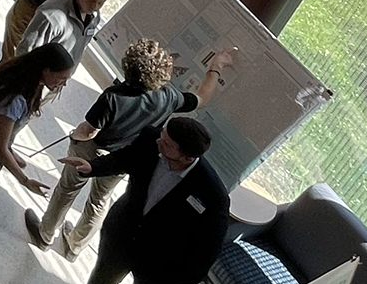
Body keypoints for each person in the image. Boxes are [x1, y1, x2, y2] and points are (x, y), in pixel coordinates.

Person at [45, 113, 231, 284]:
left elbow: (206, 248)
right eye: (162, 136)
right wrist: (91, 167)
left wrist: (177, 281)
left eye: (167, 143)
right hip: (122, 235)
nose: (159, 141)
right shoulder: (150, 140)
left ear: (186, 157)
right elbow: (124, 159)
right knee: (100, 282)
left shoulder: (212, 195)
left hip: (160, 264)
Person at [26, 38, 235, 256]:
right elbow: (202, 97)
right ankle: (75, 245)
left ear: (129, 66)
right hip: (125, 157)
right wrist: (216, 66)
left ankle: (45, 234)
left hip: (91, 150)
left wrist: (76, 135)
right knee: (100, 200)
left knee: (67, 190)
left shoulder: (113, 97)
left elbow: (89, 131)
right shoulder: (170, 97)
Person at [0, 43, 75, 225]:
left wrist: (11, 152)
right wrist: (25, 180)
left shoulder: (25, 79)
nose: (64, 83)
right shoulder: (14, 98)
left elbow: (2, 137)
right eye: (61, 78)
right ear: (46, 69)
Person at [7, 0, 115, 68]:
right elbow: (26, 52)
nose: (95, 7)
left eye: (101, 3)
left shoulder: (94, 16)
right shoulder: (51, 17)